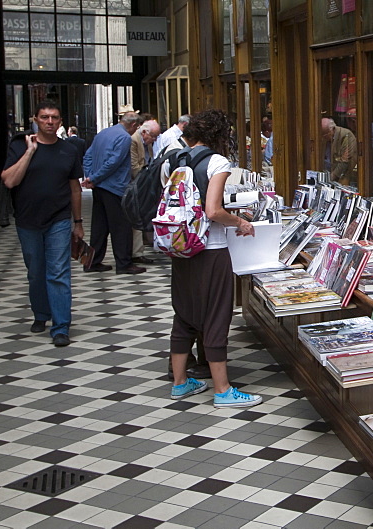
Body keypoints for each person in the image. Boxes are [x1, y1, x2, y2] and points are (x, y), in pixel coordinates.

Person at [163, 109, 262, 409]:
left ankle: (180, 383)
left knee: (184, 313)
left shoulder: (171, 160)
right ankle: (223, 390)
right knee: (217, 314)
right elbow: (213, 211)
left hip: (181, 248)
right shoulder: (217, 162)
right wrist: (241, 223)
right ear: (220, 135)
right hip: (212, 249)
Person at [1, 100, 83, 347]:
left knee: (58, 273)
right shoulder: (19, 145)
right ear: (35, 119)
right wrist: (29, 152)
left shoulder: (69, 150)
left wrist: (77, 222)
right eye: (45, 117)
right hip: (27, 220)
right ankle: (40, 313)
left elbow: (75, 189)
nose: (49, 122)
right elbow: (9, 181)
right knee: (36, 272)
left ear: (60, 121)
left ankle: (60, 327)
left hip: (58, 219)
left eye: (54, 118)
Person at [82, 111, 145, 274]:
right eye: (136, 128)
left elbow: (87, 156)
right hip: (114, 187)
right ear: (132, 125)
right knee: (121, 227)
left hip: (99, 188)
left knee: (99, 226)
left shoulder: (103, 133)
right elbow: (114, 163)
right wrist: (94, 178)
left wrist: (90, 176)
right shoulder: (125, 138)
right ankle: (124, 264)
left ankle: (91, 262)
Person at [130, 119, 160, 264]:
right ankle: (135, 253)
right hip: (137, 184)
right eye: (153, 136)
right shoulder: (134, 140)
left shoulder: (146, 143)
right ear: (144, 132)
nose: (154, 140)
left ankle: (138, 251)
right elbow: (134, 166)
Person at [321, 116, 357, 184]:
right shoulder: (324, 139)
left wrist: (330, 178)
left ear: (332, 129)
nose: (323, 138)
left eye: (325, 135)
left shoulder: (346, 135)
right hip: (326, 176)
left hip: (342, 178)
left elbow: (345, 161)